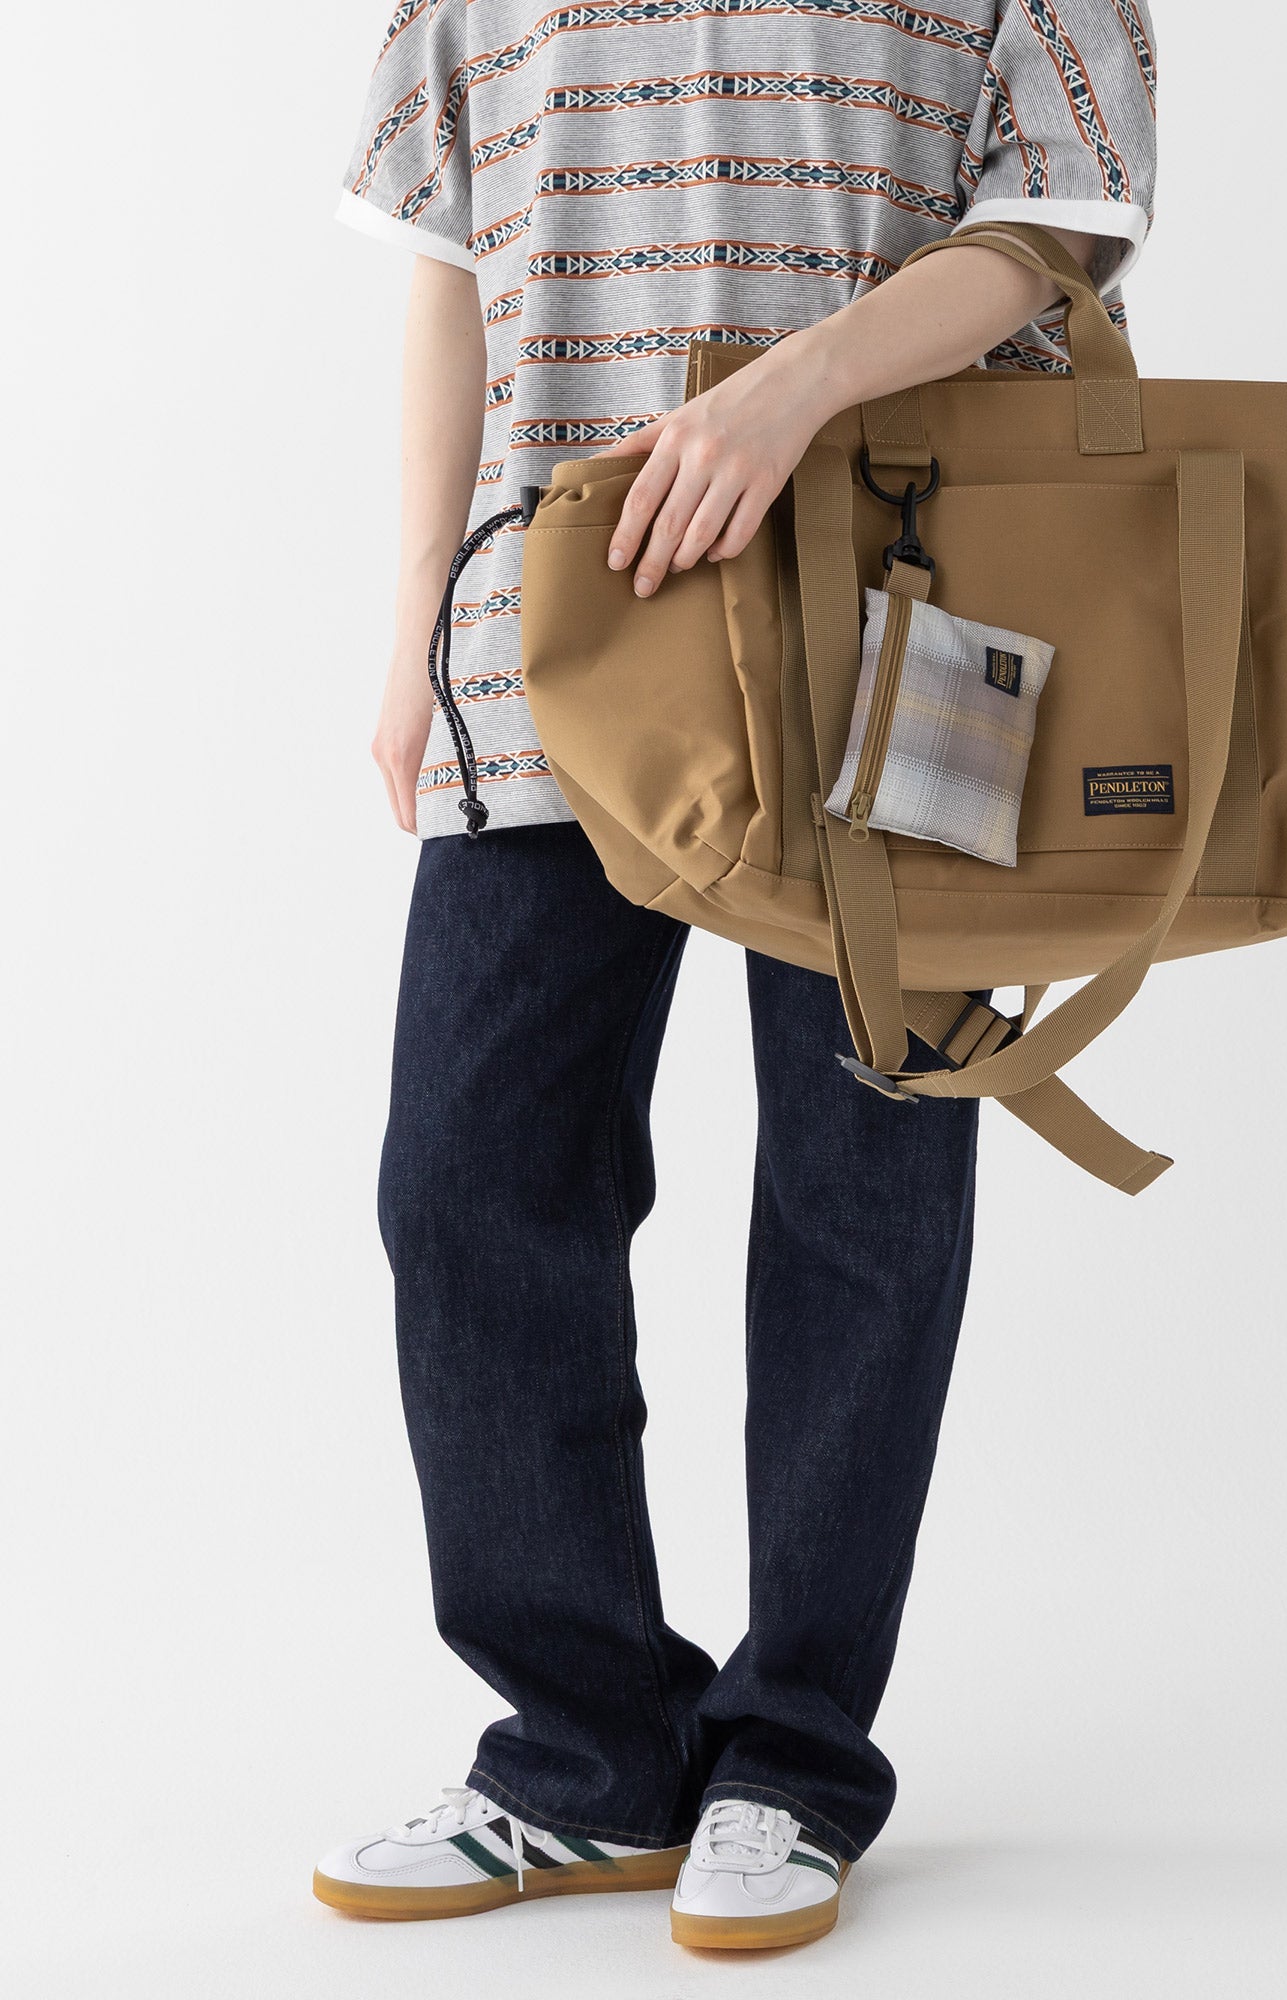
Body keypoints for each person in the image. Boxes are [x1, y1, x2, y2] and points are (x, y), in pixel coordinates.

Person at [317, 0, 1156, 1952]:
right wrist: (416, 615)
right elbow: (450, 266)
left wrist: (789, 392)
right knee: (465, 1181)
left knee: (865, 1193)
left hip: (910, 620)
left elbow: (1059, 225)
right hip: (550, 623)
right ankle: (584, 1752)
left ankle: (792, 1761)